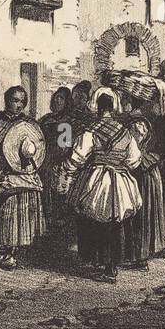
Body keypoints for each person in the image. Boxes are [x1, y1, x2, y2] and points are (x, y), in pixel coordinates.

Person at [62, 92, 142, 281]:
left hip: (97, 179)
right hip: (121, 181)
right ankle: (112, 266)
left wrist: (69, 171)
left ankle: (102, 264)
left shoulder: (91, 129)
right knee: (116, 225)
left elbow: (77, 156)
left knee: (98, 223)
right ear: (113, 108)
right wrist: (117, 162)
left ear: (98, 108)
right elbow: (134, 160)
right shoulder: (125, 131)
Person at [0, 87, 46, 269]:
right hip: (3, 173)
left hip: (25, 173)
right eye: (14, 100)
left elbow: (36, 149)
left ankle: (13, 250)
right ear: (7, 100)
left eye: (21, 101)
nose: (18, 105)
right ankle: (1, 249)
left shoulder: (29, 124)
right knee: (4, 208)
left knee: (24, 207)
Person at [123, 99, 165, 265]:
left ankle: (139, 255)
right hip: (142, 171)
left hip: (143, 174)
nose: (123, 105)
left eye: (125, 102)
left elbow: (136, 147)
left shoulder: (137, 124)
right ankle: (135, 253)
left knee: (141, 214)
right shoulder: (134, 122)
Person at [38, 87, 74, 230]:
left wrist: (50, 156)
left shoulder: (65, 122)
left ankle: (55, 220)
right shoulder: (46, 118)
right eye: (56, 97)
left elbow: (64, 147)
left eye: (61, 98)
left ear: (67, 103)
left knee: (55, 192)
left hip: (57, 162)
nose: (57, 100)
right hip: (42, 159)